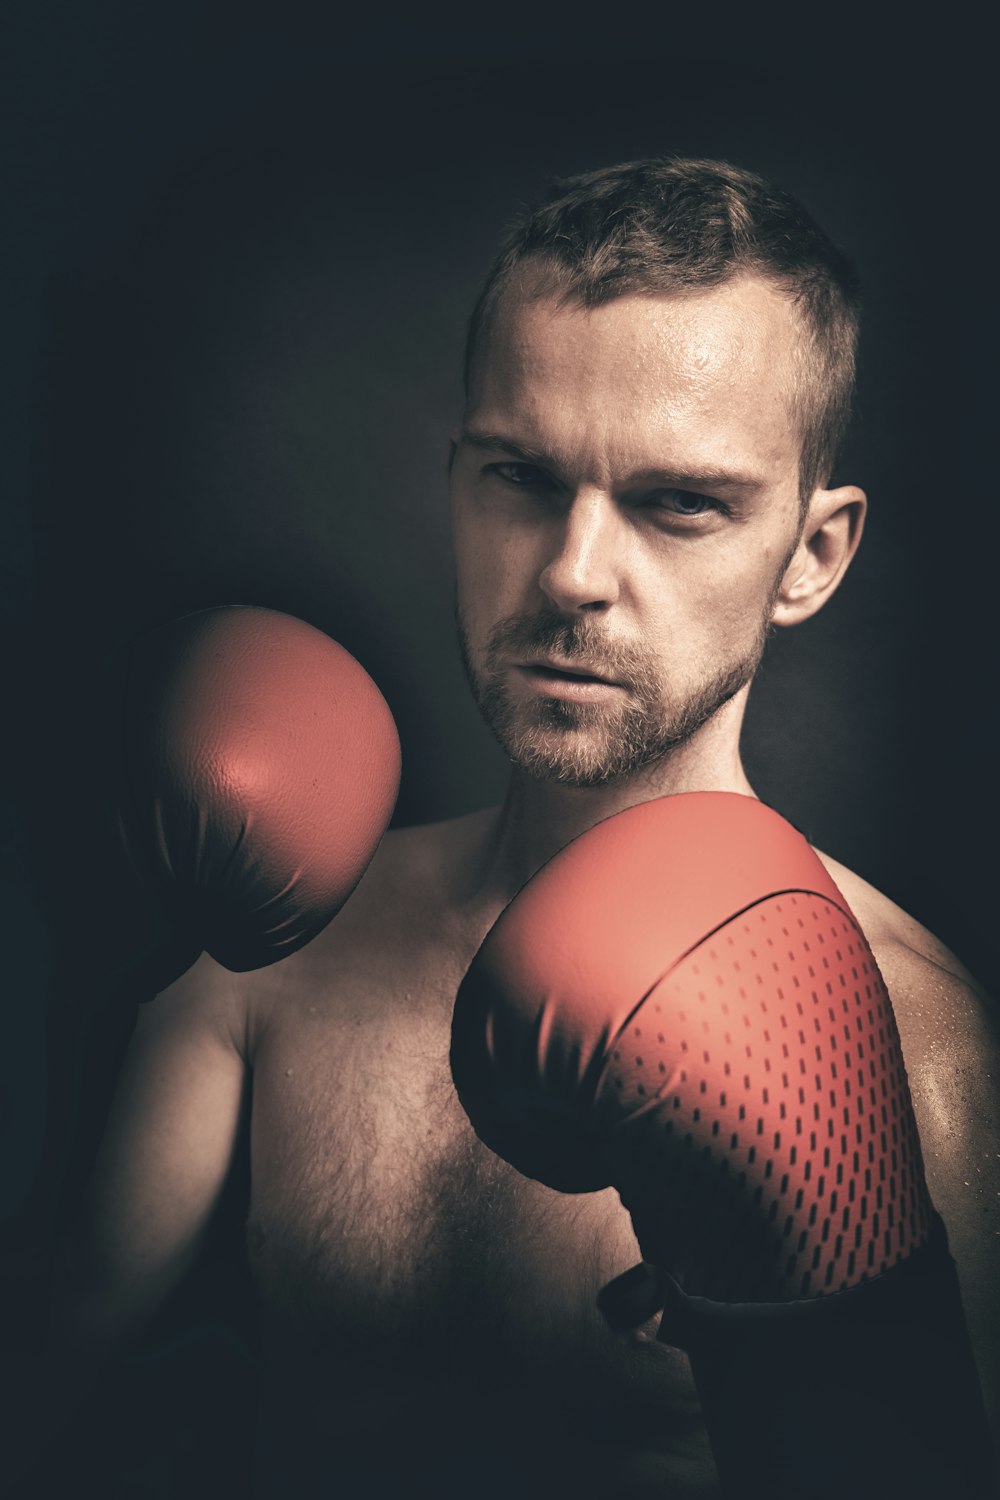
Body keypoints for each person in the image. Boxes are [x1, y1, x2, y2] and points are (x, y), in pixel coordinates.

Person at [30, 159, 1000, 1495]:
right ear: (455, 480)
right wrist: (69, 974)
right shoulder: (276, 945)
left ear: (813, 556)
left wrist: (822, 1342)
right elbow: (43, 1379)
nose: (569, 573)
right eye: (522, 478)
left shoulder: (914, 1057)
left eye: (679, 503)